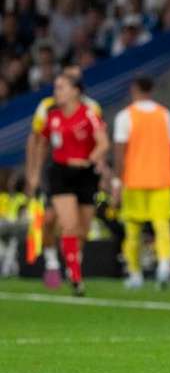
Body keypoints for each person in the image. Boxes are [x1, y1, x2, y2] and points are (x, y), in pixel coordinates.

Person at [27, 73, 109, 295]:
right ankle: (74, 276)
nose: (57, 92)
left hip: (86, 174)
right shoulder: (51, 115)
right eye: (56, 88)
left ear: (75, 91)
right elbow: (41, 143)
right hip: (60, 173)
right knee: (68, 224)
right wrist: (34, 173)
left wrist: (89, 160)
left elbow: (103, 143)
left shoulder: (89, 114)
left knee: (82, 230)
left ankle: (72, 263)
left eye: (61, 87)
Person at [111, 76, 170, 288]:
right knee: (162, 225)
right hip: (161, 178)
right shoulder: (165, 115)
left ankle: (135, 274)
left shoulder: (125, 116)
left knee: (132, 230)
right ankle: (165, 266)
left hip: (134, 179)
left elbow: (120, 154)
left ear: (134, 89)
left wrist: (116, 183)